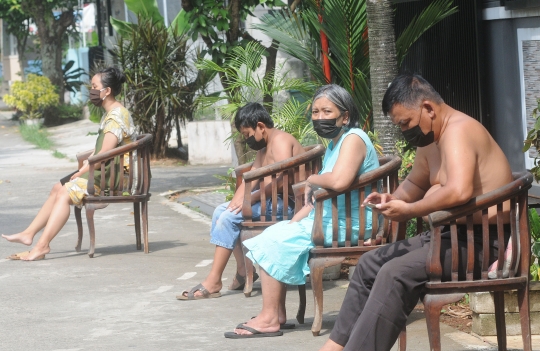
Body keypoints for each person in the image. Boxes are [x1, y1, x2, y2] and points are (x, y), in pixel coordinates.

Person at [319, 74, 513, 351]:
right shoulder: (430, 139)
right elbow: (415, 183)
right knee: (369, 264)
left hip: (479, 242)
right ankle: (334, 347)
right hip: (446, 236)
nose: (405, 130)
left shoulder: (459, 130)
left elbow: (458, 191)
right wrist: (391, 200)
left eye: (406, 123)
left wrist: (409, 210)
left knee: (394, 272)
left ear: (429, 109)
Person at [224, 84, 380, 338]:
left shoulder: (354, 139)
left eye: (327, 111)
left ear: (345, 116)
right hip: (328, 219)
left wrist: (313, 180)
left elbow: (339, 182)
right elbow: (313, 202)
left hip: (351, 223)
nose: (319, 117)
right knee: (274, 233)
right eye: (316, 111)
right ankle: (277, 313)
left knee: (273, 241)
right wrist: (292, 222)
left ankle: (270, 318)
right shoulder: (334, 144)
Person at [2, 67, 137, 261]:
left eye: (94, 86)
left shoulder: (116, 116)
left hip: (114, 177)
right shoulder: (113, 112)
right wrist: (83, 169)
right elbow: (103, 152)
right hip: (105, 170)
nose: (91, 90)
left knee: (65, 192)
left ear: (107, 91)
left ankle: (42, 246)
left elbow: (104, 154)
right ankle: (28, 234)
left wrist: (82, 170)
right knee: (57, 187)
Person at [177, 102, 304, 300]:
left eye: (247, 134)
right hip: (271, 201)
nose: (247, 140)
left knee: (229, 218)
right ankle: (243, 270)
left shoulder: (280, 141)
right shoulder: (264, 148)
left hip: (291, 205)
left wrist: (249, 199)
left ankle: (214, 280)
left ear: (261, 127)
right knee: (222, 212)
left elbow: (282, 179)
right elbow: (251, 178)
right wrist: (235, 202)